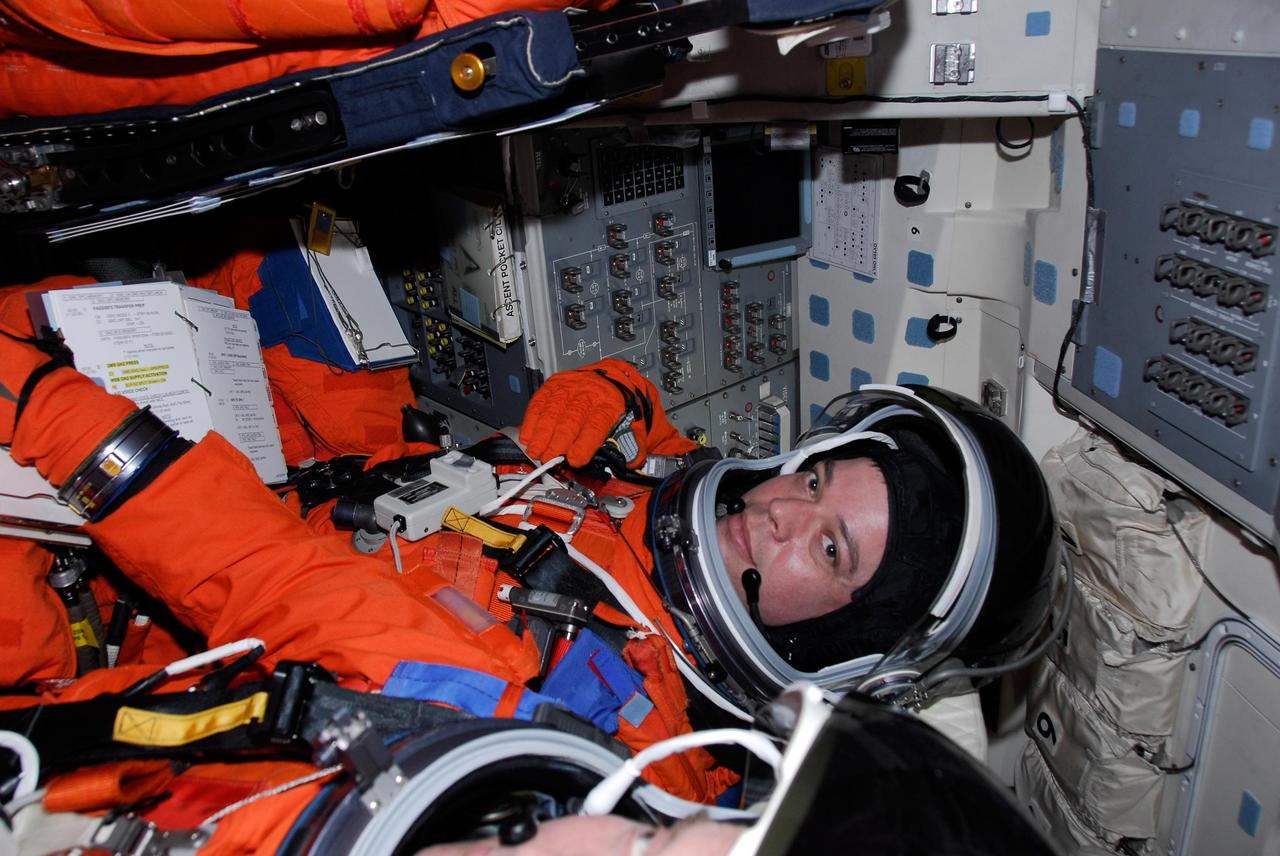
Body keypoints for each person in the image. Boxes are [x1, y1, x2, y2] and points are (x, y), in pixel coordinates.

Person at [0, 304, 1059, 851]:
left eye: (829, 550)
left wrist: (56, 415)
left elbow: (264, 573)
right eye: (816, 478)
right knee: (290, 271)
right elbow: (647, 418)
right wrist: (614, 396)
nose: (781, 509)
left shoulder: (612, 732)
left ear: (834, 643)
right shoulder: (682, 505)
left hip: (164, 622)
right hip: (325, 475)